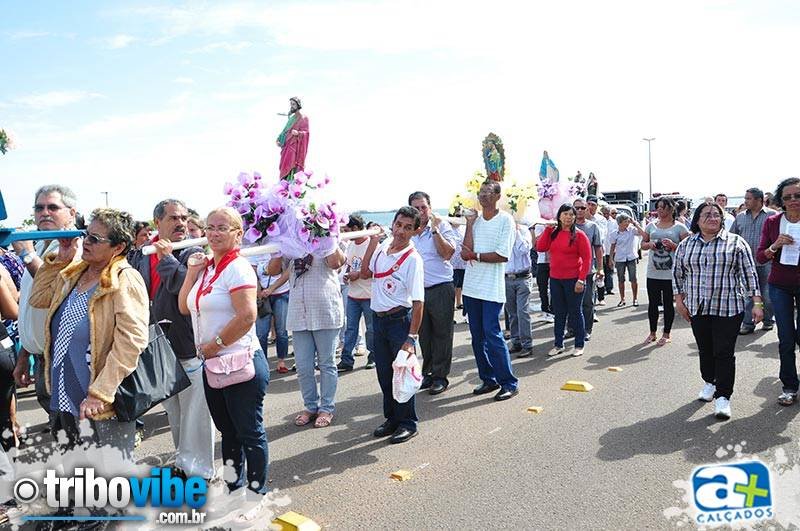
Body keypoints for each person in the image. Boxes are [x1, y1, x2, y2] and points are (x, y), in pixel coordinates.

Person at [28, 208, 149, 456]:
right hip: (65, 393)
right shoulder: (76, 271)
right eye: (86, 235)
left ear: (118, 247)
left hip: (101, 401)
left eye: (95, 238)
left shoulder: (125, 278)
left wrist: (101, 392)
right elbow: (38, 298)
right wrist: (61, 258)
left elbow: (131, 342)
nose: (86, 242)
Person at [179, 207, 268, 522]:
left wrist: (214, 345)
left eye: (222, 228)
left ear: (237, 234)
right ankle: (234, 489)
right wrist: (191, 273)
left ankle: (256, 496)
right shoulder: (208, 268)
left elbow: (247, 316)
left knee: (250, 433)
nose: (214, 233)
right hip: (213, 365)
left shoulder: (238, 268)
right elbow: (185, 306)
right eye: (209, 227)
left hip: (240, 362)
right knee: (228, 432)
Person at [128, 199, 215, 481]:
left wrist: (166, 258)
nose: (181, 223)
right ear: (158, 222)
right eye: (174, 218)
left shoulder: (193, 251)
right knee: (175, 413)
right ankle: (184, 462)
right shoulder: (143, 253)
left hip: (187, 344)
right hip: (158, 346)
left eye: (184, 218)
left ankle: (201, 470)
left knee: (196, 413)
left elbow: (182, 285)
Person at [673, 202, 763, 420]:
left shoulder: (736, 242)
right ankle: (710, 382)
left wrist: (757, 303)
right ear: (697, 220)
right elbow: (677, 274)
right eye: (707, 214)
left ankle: (723, 396)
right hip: (698, 306)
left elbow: (750, 274)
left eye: (716, 215)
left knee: (723, 352)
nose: (712, 218)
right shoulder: (686, 245)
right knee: (705, 349)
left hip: (728, 307)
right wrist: (679, 301)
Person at [12, 185, 82, 420]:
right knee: (61, 428)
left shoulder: (74, 246)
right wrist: (25, 354)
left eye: (52, 207)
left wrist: (27, 256)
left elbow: (56, 291)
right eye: (39, 208)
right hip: (42, 357)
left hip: (65, 358)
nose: (44, 213)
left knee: (74, 430)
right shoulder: (40, 244)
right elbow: (32, 307)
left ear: (72, 213)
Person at [271, 221, 346, 429]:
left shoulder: (329, 237)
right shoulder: (290, 241)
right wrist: (278, 242)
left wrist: (325, 231)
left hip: (325, 310)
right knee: (303, 366)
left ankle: (326, 408)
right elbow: (273, 269)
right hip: (299, 312)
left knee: (326, 364)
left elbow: (335, 263)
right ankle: (310, 406)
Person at [359, 206, 425, 443]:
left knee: (402, 374)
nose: (401, 231)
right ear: (393, 223)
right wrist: (372, 242)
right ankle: (392, 419)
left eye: (408, 228)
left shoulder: (413, 259)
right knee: (385, 375)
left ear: (415, 231)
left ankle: (408, 423)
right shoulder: (383, 247)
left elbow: (418, 303)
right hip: (378, 320)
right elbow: (365, 272)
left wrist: (411, 338)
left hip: (399, 321)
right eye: (398, 225)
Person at [460, 180, 519, 400]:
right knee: (477, 337)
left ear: (497, 196)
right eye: (481, 192)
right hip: (471, 287)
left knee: (492, 334)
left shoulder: (505, 220)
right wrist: (469, 224)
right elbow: (465, 251)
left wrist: (475, 256)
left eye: (488, 192)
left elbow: (502, 255)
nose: (483, 196)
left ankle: (509, 382)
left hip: (491, 289)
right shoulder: (475, 221)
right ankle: (488, 379)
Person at [756, 177, 800, 406]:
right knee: (786, 339)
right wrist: (775, 246)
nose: (793, 200)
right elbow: (760, 256)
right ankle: (789, 387)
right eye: (787, 197)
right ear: (781, 200)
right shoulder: (773, 222)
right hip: (780, 285)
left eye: (798, 195)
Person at [409, 192, 457, 395]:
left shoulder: (442, 226)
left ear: (430, 208)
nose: (420, 212)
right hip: (417, 292)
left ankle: (440, 377)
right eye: (416, 208)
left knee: (442, 334)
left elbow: (447, 253)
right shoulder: (409, 231)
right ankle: (428, 373)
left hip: (440, 287)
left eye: (424, 207)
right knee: (424, 335)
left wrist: (435, 230)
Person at [536, 205, 592, 357]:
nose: (568, 217)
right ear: (559, 216)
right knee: (559, 313)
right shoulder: (553, 233)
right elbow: (540, 247)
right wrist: (547, 229)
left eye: (571, 215)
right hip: (555, 279)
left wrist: (581, 280)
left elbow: (587, 259)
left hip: (573, 280)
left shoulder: (579, 235)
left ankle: (579, 344)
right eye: (565, 214)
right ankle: (558, 344)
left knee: (575, 312)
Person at [641, 197, 689, 346]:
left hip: (671, 273)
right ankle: (652, 333)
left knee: (668, 304)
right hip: (653, 272)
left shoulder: (680, 227)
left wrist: (674, 246)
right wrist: (650, 244)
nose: (660, 210)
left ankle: (666, 333)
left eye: (663, 207)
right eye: (658, 207)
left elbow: (688, 248)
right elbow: (642, 244)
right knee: (653, 304)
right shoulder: (651, 226)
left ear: (671, 208)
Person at [730, 187, 776, 335]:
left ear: (759, 200)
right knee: (748, 295)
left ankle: (768, 320)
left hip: (767, 262)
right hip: (745, 264)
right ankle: (748, 323)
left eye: (748, 198)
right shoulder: (740, 217)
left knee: (767, 295)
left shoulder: (772, 216)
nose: (745, 201)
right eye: (745, 198)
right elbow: (732, 237)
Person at [338, 214, 376, 372]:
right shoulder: (351, 244)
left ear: (355, 228)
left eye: (346, 230)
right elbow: (349, 264)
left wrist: (357, 274)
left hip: (369, 295)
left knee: (371, 329)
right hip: (353, 294)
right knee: (351, 328)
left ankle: (373, 356)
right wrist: (347, 274)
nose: (344, 234)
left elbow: (375, 269)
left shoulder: (372, 244)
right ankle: (346, 359)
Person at [569, 198, 604, 341]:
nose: (579, 210)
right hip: (569, 271)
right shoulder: (566, 226)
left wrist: (600, 268)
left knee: (587, 302)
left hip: (587, 271)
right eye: (576, 208)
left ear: (587, 209)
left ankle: (586, 329)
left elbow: (598, 248)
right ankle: (571, 328)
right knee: (570, 302)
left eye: (582, 208)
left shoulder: (592, 227)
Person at [254, 253, 290, 373]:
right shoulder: (253, 248)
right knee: (261, 333)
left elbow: (288, 271)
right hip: (262, 296)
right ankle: (263, 363)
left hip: (282, 292)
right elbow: (252, 274)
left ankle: (281, 360)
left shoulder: (281, 246)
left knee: (281, 330)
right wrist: (259, 292)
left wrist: (272, 288)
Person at [504, 224, 533, 357]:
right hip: (506, 277)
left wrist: (516, 231)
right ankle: (516, 342)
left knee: (522, 311)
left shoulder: (523, 230)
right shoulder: (502, 230)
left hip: (523, 277)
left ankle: (527, 344)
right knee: (512, 312)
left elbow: (524, 249)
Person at [608, 213, 645, 307]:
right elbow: (612, 247)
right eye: (625, 221)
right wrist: (611, 259)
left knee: (633, 278)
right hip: (620, 258)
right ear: (619, 223)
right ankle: (622, 299)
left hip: (631, 257)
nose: (627, 223)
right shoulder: (614, 233)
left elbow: (643, 233)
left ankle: (635, 299)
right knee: (621, 279)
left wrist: (635, 223)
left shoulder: (632, 230)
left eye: (628, 221)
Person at [276, 96, 310, 180]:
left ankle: (292, 182)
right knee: (284, 165)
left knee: (292, 165)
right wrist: (279, 139)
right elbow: (285, 131)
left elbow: (306, 133)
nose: (292, 106)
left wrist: (298, 133)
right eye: (291, 104)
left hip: (294, 146)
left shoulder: (303, 118)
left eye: (294, 104)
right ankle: (284, 183)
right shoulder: (291, 119)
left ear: (298, 105)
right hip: (286, 146)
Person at [586, 196, 608, 304]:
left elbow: (602, 236)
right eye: (588, 204)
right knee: (590, 279)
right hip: (586, 254)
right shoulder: (580, 218)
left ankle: (601, 297)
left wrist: (590, 219)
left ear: (597, 206)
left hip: (597, 253)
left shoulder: (601, 219)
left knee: (599, 277)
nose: (590, 207)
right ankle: (591, 301)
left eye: (593, 205)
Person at [530, 224, 554, 322]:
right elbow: (535, 245)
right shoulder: (539, 225)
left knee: (554, 287)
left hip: (554, 261)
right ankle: (545, 310)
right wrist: (546, 229)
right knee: (542, 287)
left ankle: (553, 311)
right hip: (541, 261)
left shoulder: (557, 224)